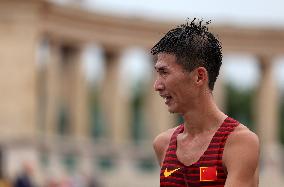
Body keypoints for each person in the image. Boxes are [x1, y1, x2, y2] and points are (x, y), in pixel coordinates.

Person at [151, 18, 259, 187]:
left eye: (164, 72)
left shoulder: (239, 142)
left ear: (199, 76)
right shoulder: (162, 144)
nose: (156, 85)